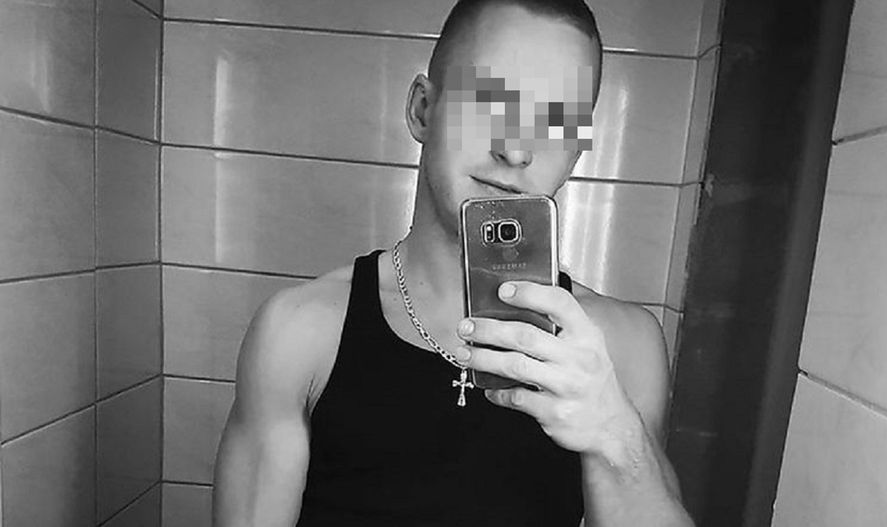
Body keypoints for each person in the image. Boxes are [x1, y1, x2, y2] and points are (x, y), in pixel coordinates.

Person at [213, 0, 693, 525]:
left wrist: (616, 436)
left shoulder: (622, 345)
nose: (516, 151)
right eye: (491, 101)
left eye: (556, 121)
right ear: (424, 109)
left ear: (576, 151)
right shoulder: (299, 331)